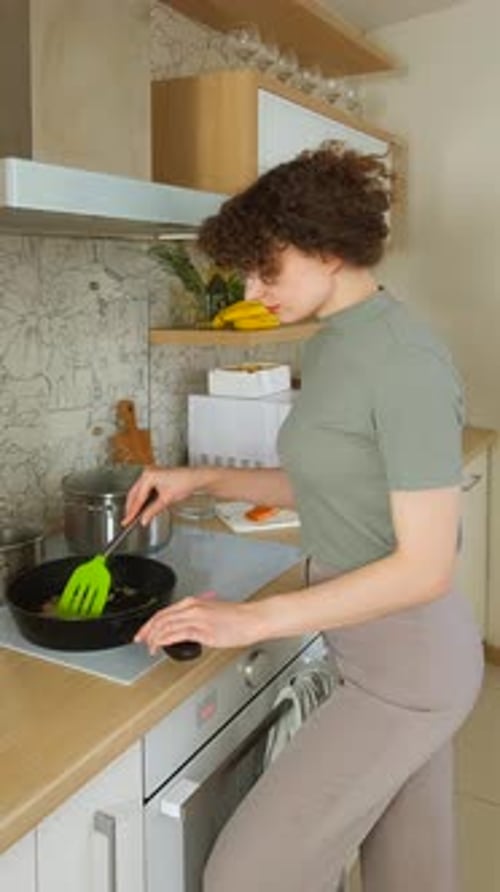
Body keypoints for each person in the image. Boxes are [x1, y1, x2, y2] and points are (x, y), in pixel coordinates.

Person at [124, 142, 483, 892]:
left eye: (267, 269)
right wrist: (201, 477)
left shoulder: (403, 360)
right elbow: (329, 481)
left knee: (245, 877)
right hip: (371, 651)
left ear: (326, 249)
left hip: (412, 665)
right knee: (411, 876)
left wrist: (252, 621)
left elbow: (425, 568)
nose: (253, 289)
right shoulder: (329, 347)